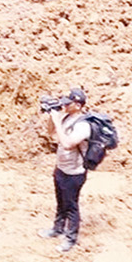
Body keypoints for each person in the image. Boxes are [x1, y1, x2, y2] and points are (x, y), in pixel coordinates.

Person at [40, 89, 91, 253]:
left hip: (74, 173)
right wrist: (53, 117)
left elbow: (68, 143)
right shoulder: (67, 117)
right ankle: (57, 228)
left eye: (68, 103)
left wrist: (57, 120)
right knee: (60, 202)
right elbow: (51, 133)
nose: (65, 106)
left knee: (71, 206)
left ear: (78, 105)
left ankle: (70, 238)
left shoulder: (84, 125)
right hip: (61, 168)